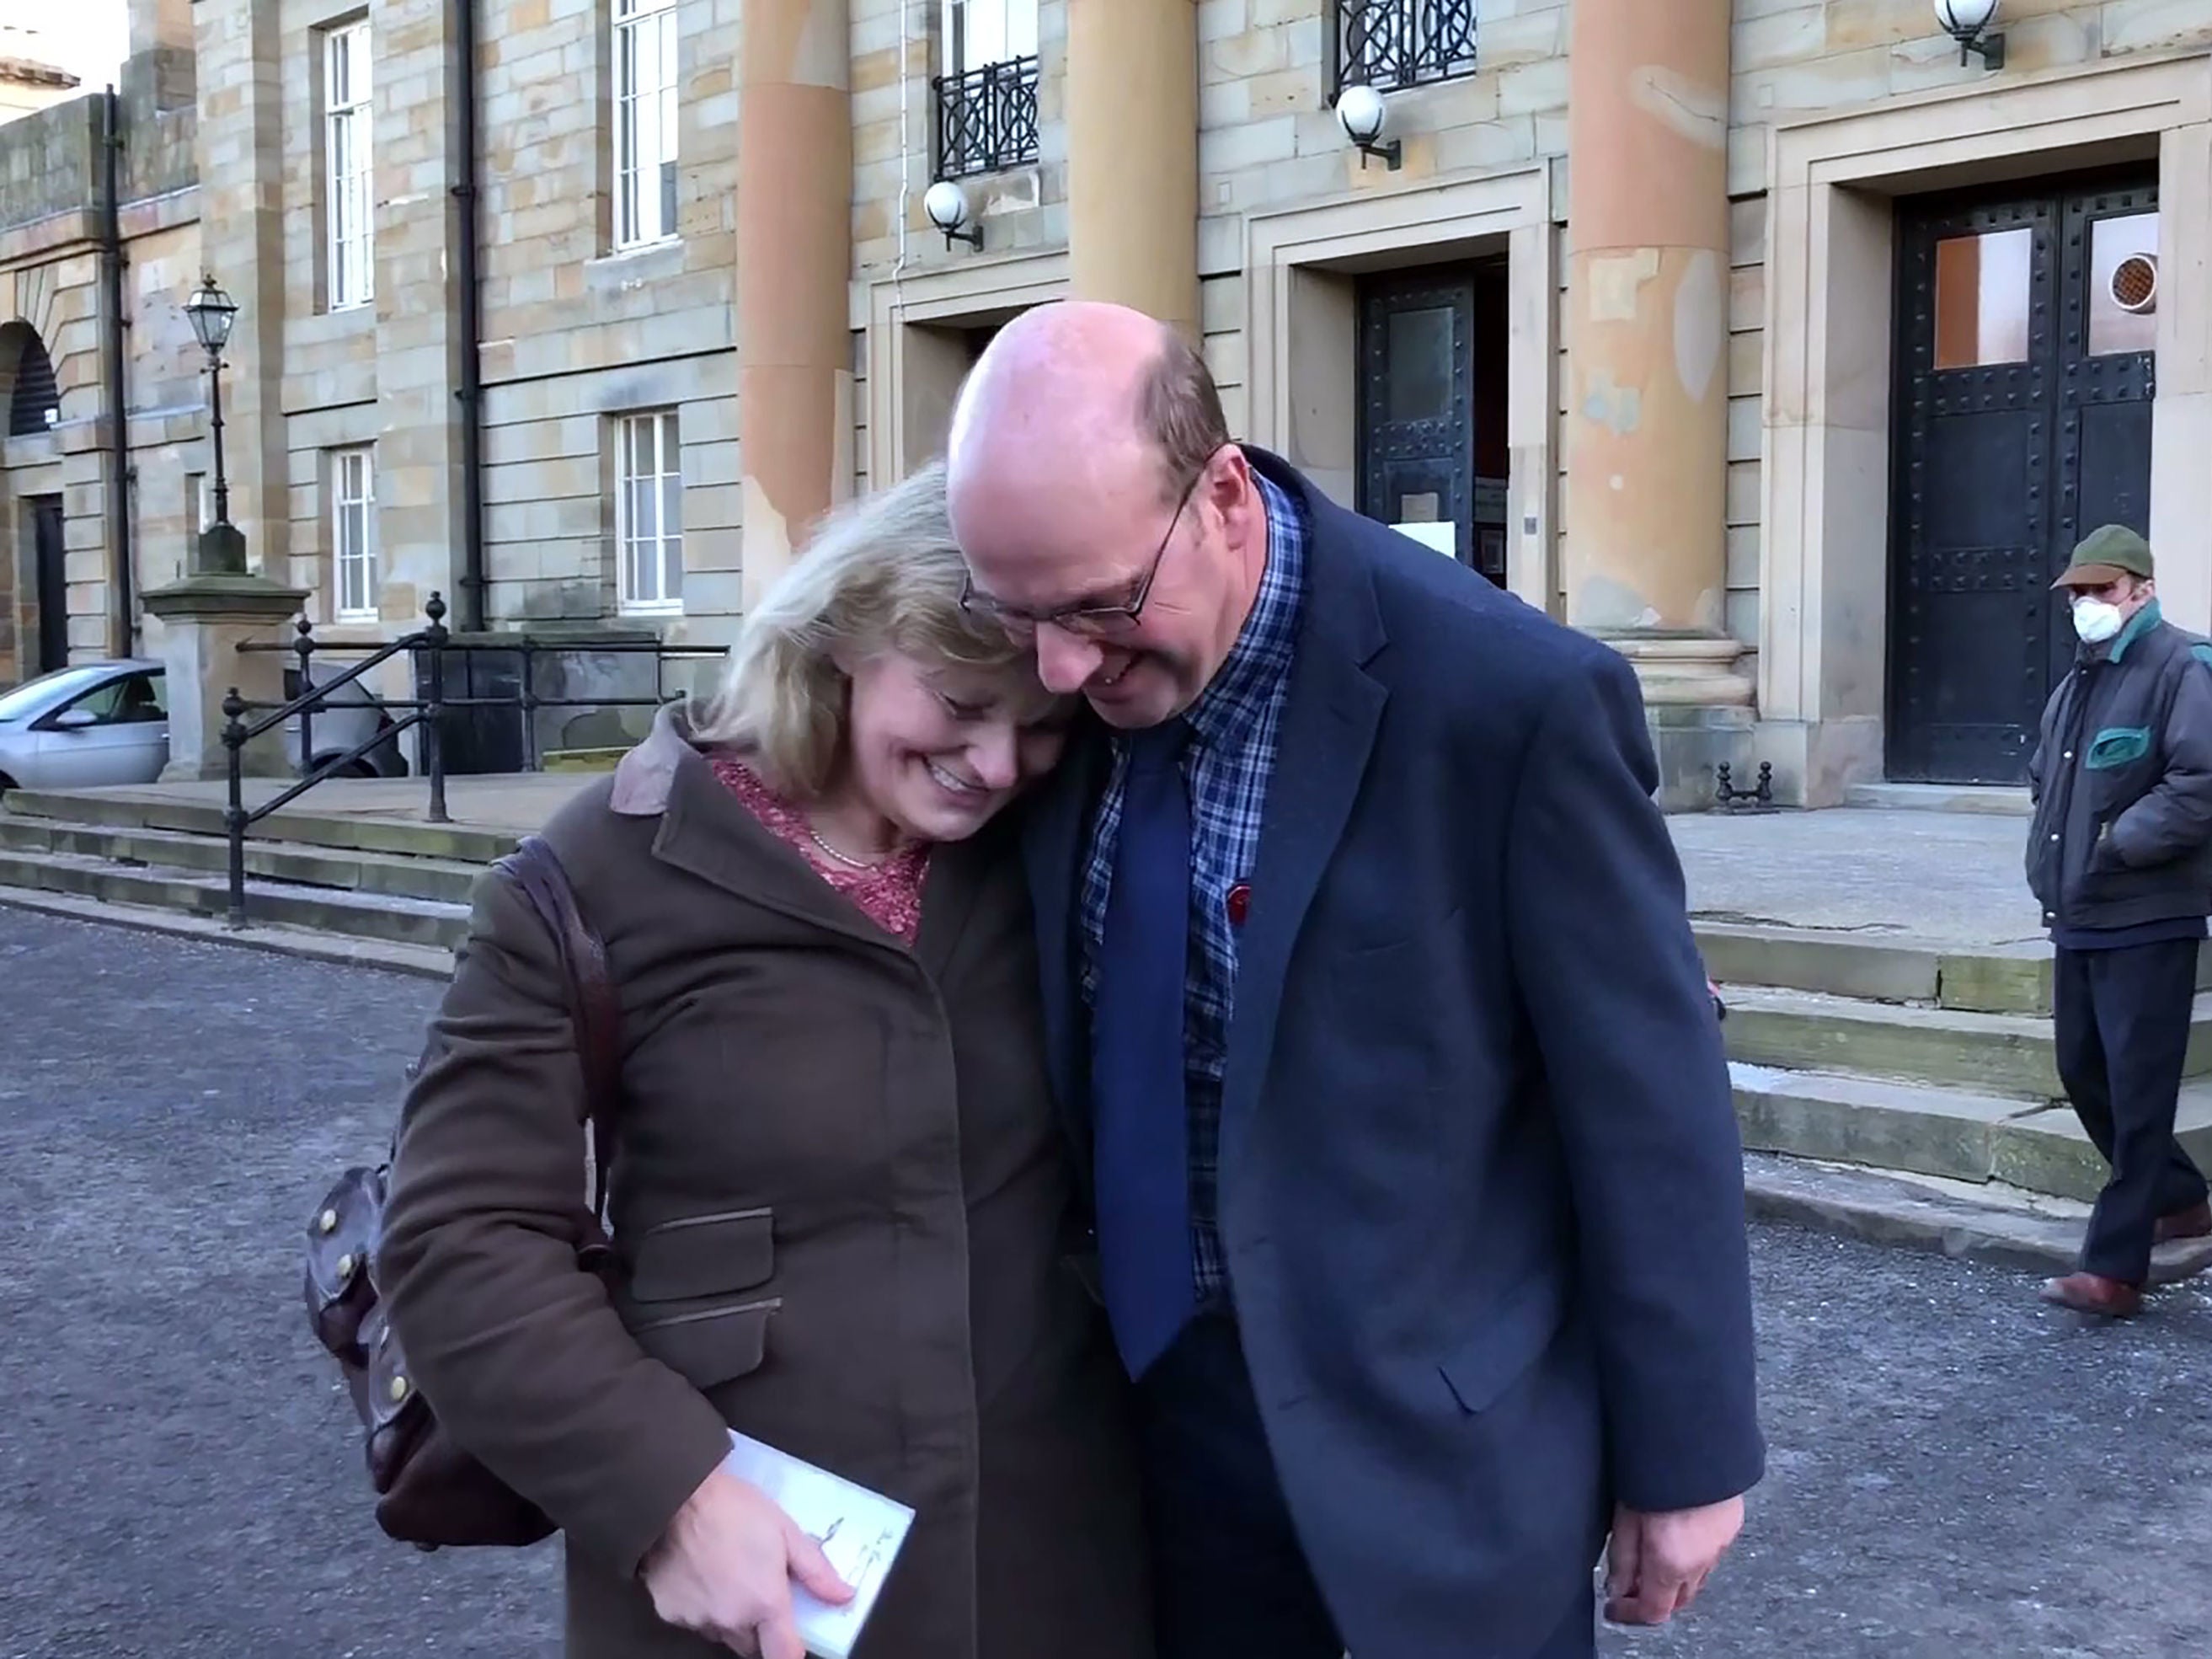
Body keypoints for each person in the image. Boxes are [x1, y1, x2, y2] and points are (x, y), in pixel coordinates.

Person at [943, 300, 1763, 1659]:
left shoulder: (1510, 702)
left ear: (1220, 495)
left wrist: (1686, 1455)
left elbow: (1649, 1098)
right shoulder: (1048, 684)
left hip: (1426, 1467)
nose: (1060, 667)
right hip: (1137, 1437)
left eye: (1099, 607)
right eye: (1016, 613)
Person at [376, 463, 1151, 1659]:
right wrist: (666, 1497)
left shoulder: (1051, 849)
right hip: (743, 1590)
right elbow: (459, 1239)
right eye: (957, 703)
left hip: (1055, 1567)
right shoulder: (590, 879)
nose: (997, 766)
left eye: (1038, 725)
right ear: (840, 641)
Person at [2027, 524, 2212, 1318]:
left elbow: (2200, 778)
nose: (2088, 605)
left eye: (2102, 591)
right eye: (2079, 593)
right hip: (2080, 910)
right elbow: (2047, 775)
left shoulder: (2183, 664)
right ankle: (2181, 1197)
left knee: (2140, 1093)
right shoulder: (2077, 680)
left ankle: (2115, 1267)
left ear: (2140, 588)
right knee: (2083, 1068)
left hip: (2149, 911)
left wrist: (2117, 841)